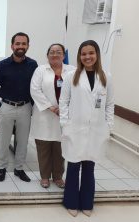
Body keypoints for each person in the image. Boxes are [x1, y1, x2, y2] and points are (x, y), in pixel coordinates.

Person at [59, 40, 114, 217]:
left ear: (97, 55)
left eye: (91, 53)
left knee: (89, 167)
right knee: (73, 166)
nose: (87, 57)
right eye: (84, 54)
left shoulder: (106, 77)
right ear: (79, 56)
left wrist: (108, 125)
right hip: (75, 128)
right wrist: (65, 124)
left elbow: (110, 104)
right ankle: (71, 202)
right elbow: (63, 102)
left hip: (96, 130)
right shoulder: (71, 76)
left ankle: (87, 202)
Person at [0, 32, 38, 182]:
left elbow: (36, 88)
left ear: (28, 46)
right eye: (18, 44)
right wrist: (0, 107)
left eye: (24, 44)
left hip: (25, 107)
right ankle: (2, 168)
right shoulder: (2, 65)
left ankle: (19, 169)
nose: (20, 46)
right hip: (7, 107)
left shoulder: (33, 65)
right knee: (4, 141)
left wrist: (32, 106)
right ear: (12, 46)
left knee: (23, 141)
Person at [30, 44, 75, 188]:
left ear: (63, 55)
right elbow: (35, 90)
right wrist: (52, 108)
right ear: (47, 55)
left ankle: (58, 176)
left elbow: (77, 90)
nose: (55, 54)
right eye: (52, 52)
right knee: (43, 148)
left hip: (65, 116)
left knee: (60, 149)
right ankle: (44, 177)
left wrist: (64, 108)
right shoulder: (40, 70)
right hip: (44, 116)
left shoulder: (72, 70)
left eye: (58, 52)